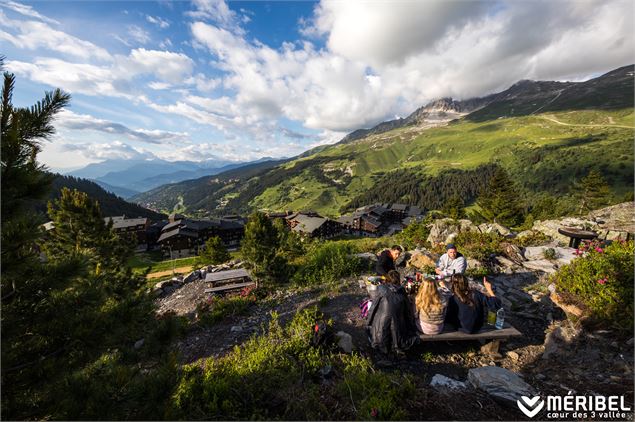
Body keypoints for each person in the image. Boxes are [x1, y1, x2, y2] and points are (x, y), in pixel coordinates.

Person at [366, 270, 419, 354]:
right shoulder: (402, 291)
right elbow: (408, 311)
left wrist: (368, 322)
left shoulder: (381, 289)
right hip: (398, 328)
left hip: (381, 327)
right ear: (398, 280)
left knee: (380, 314)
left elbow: (373, 307)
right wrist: (411, 325)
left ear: (387, 279)